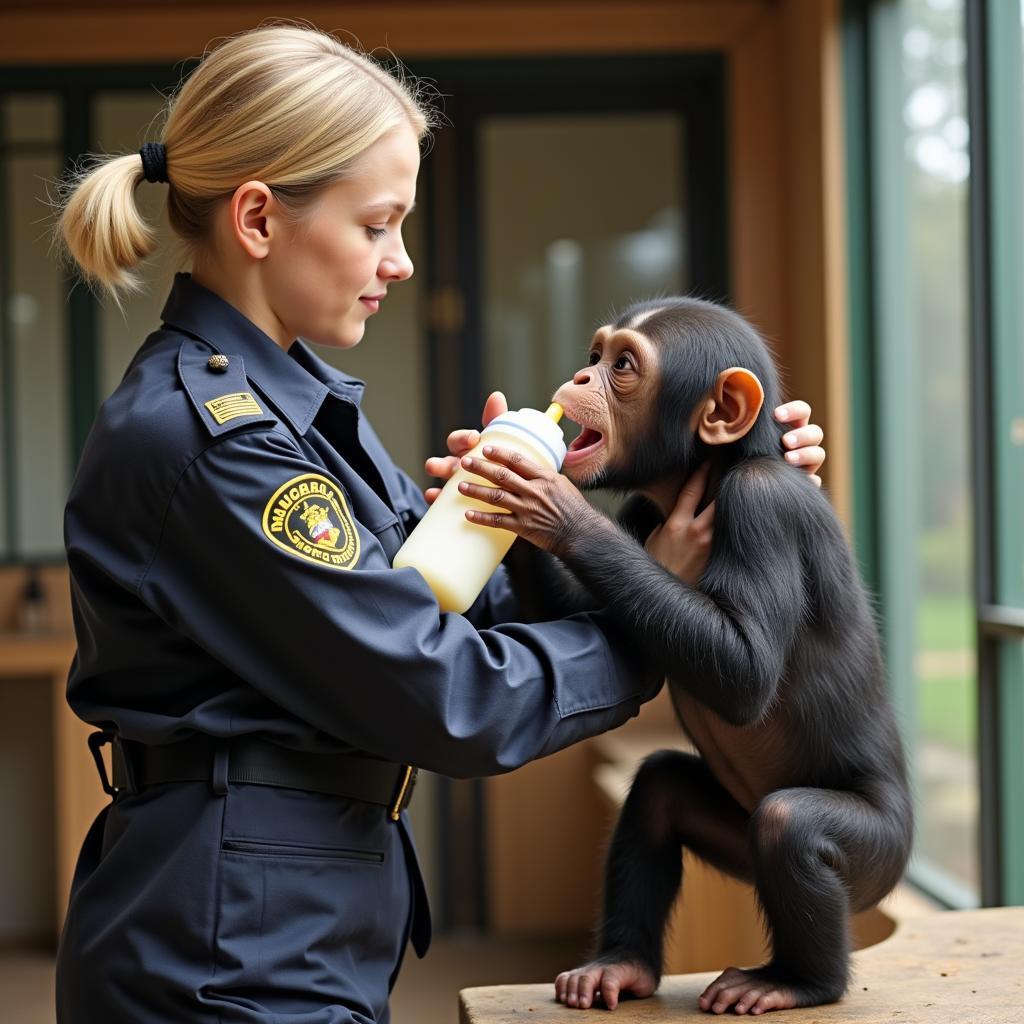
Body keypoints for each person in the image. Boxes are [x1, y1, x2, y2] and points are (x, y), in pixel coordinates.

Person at [52, 23, 827, 1024]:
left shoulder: (298, 411)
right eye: (377, 224)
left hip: (280, 911)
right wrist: (658, 622)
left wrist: (707, 496)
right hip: (228, 949)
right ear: (257, 218)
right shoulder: (220, 440)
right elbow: (446, 686)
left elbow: (458, 603)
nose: (402, 260)